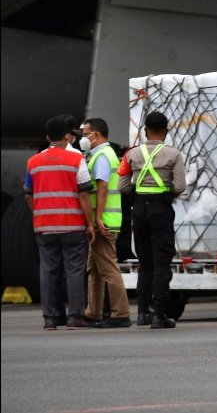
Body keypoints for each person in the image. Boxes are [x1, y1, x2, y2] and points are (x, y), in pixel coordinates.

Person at [24, 116, 95, 330]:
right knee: (74, 271)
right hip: (72, 225)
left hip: (44, 226)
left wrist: (38, 214)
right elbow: (84, 194)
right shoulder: (76, 160)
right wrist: (90, 224)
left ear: (47, 137)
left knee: (48, 270)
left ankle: (50, 319)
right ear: (67, 136)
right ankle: (75, 318)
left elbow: (28, 195)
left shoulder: (33, 162)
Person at [118, 111, 186, 329]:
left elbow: (122, 186)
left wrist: (139, 194)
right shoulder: (173, 154)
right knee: (161, 263)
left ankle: (141, 313)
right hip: (160, 211)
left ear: (145, 131)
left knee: (145, 263)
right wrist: (165, 194)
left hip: (138, 211)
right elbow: (180, 186)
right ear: (166, 131)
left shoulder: (132, 154)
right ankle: (160, 315)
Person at [81, 117, 132, 328]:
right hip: (101, 221)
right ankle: (93, 312)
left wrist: (98, 219)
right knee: (94, 270)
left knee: (109, 269)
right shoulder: (101, 154)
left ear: (97, 135)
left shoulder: (102, 156)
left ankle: (121, 314)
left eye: (85, 135)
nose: (83, 139)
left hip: (104, 222)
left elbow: (102, 188)